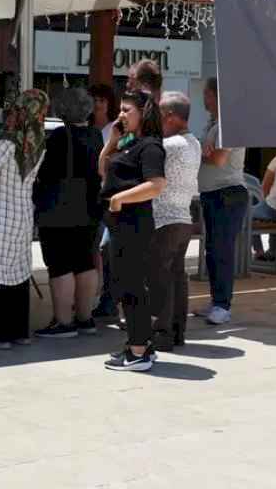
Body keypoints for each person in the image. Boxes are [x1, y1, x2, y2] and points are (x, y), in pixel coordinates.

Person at [0, 90, 48, 349]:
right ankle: (20, 331)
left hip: (0, 213)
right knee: (18, 272)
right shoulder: (40, 143)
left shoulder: (7, 142)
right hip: (23, 212)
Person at [99, 91, 166, 371]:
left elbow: (157, 184)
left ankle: (138, 350)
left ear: (143, 113)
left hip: (133, 224)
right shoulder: (128, 143)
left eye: (127, 110)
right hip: (119, 224)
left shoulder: (150, 146)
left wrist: (120, 198)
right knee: (122, 284)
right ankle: (139, 345)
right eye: (121, 110)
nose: (121, 115)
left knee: (131, 286)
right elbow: (103, 172)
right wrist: (111, 143)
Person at [33, 87, 104, 339]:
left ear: (62, 110)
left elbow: (43, 172)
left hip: (59, 210)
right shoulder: (96, 136)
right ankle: (85, 319)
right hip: (90, 208)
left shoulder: (59, 137)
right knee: (84, 262)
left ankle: (63, 322)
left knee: (60, 264)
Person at [149, 91, 200, 350]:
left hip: (165, 220)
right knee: (177, 277)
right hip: (183, 217)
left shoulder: (171, 146)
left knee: (161, 279)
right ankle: (178, 332)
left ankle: (162, 334)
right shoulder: (194, 143)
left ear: (169, 117)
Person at [197, 77, 248, 326]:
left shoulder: (231, 124)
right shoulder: (213, 124)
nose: (203, 98)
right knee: (212, 250)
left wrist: (200, 152)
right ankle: (216, 300)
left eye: (206, 94)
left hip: (227, 194)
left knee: (222, 250)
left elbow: (217, 158)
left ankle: (222, 305)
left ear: (216, 95)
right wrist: (203, 151)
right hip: (212, 194)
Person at [87, 83, 120, 319]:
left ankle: (107, 298)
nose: (98, 104)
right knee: (93, 250)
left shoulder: (113, 130)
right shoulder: (87, 128)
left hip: (107, 197)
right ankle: (95, 295)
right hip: (87, 197)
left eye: (102, 100)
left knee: (104, 249)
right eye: (94, 99)